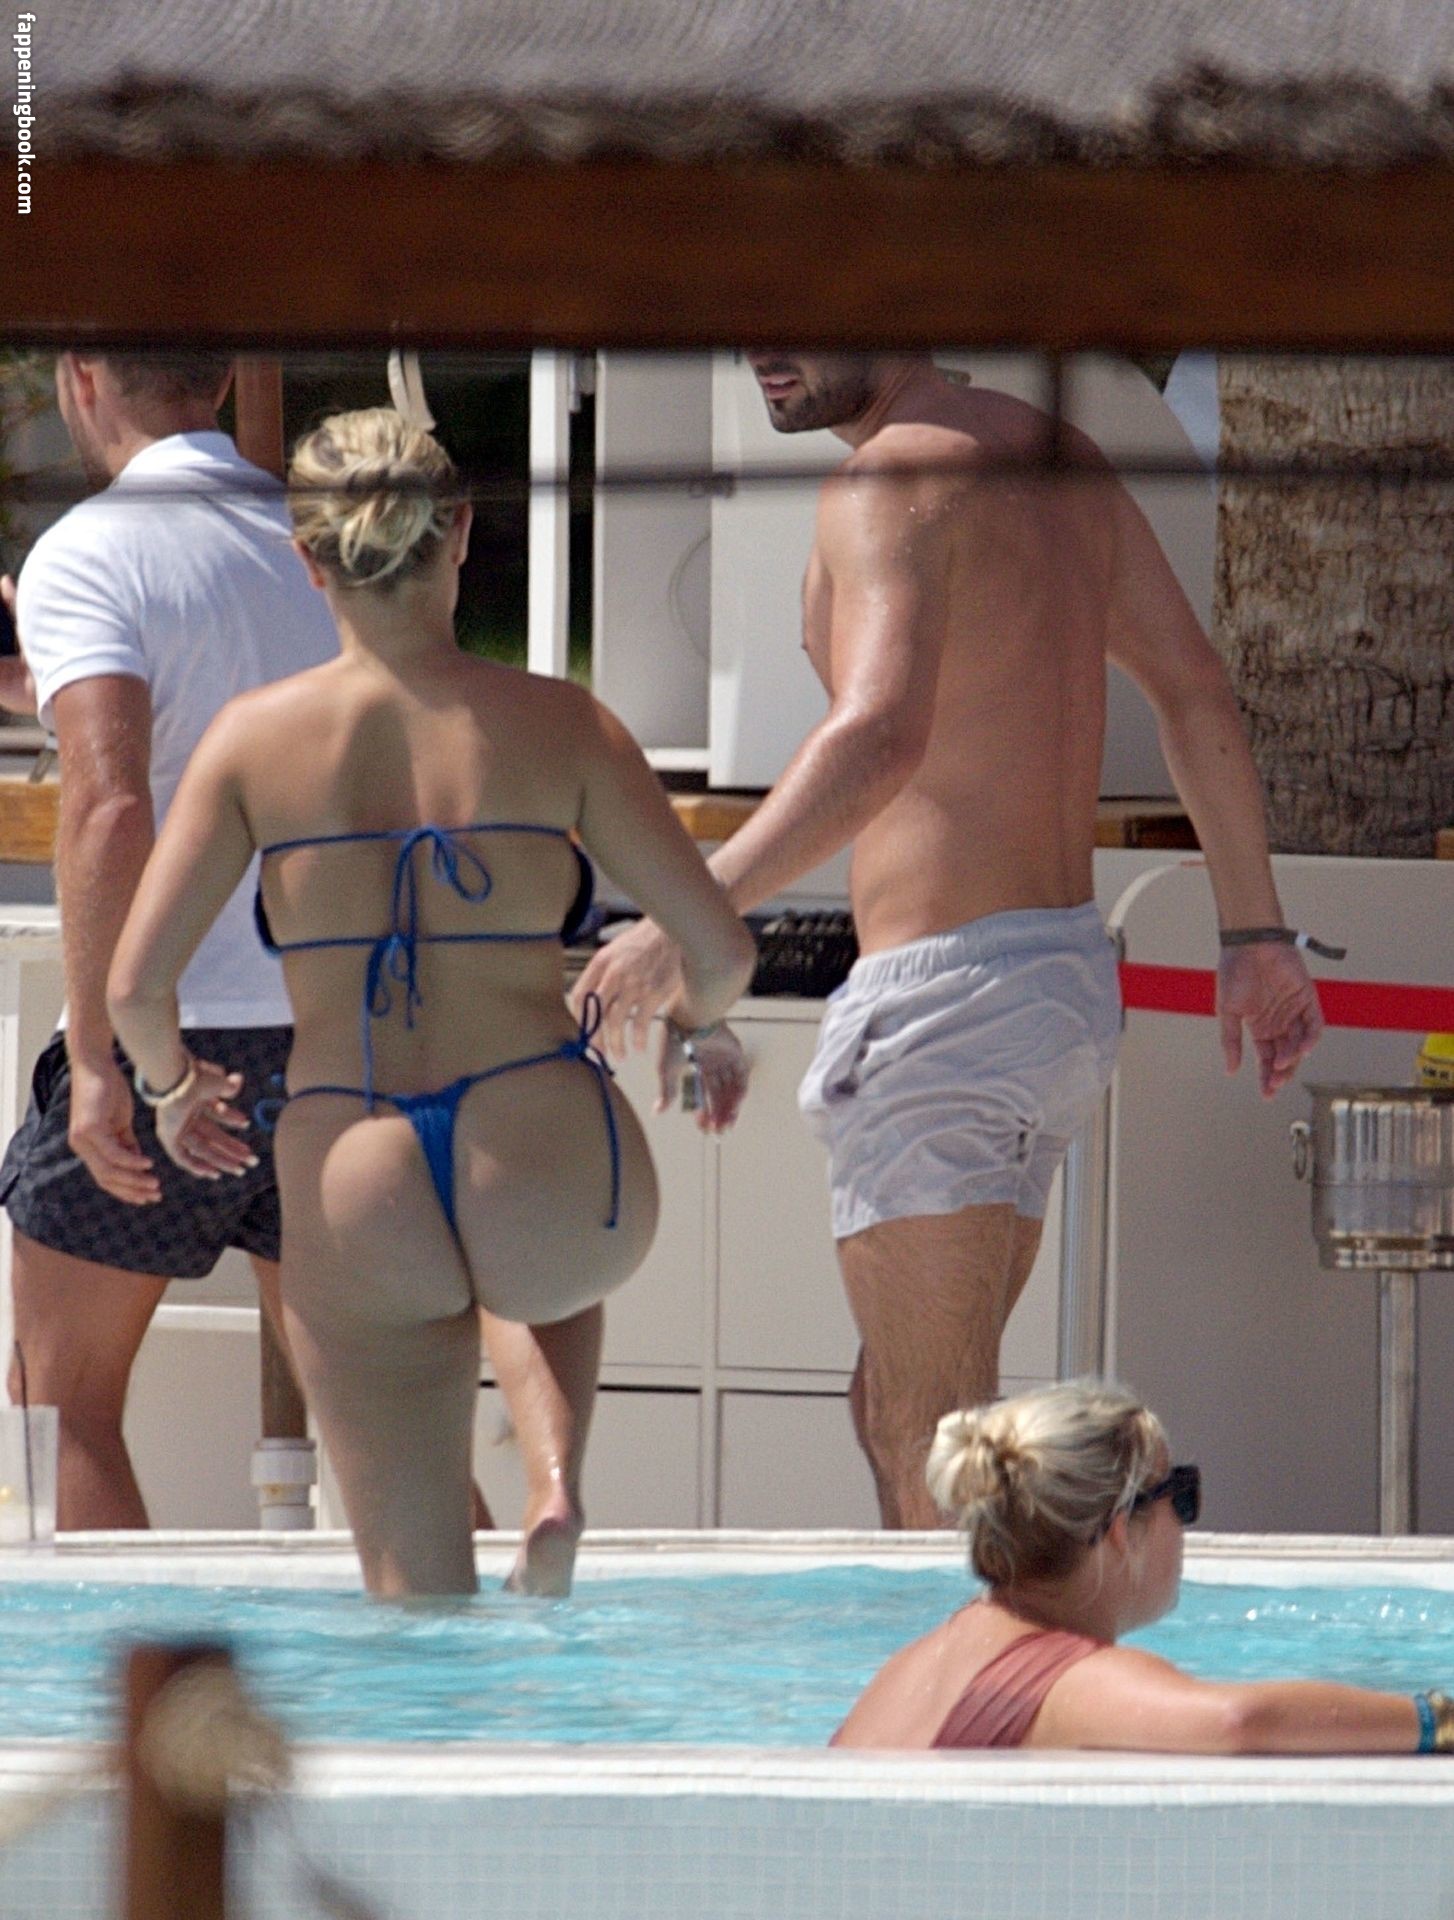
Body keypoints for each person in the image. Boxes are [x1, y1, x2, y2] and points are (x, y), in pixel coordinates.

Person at [573, 353, 1325, 1528]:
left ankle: (988, 1651)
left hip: (946, 1006)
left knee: (929, 1431)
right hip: (1052, 984)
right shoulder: (1057, 458)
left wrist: (692, 914)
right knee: (898, 1402)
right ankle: (972, 1639)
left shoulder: (892, 478)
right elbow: (1190, 691)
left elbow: (880, 733)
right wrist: (1254, 930)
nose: (763, 343)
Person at [107, 408, 757, 1599]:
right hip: (541, 1141)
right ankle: (554, 1482)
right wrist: (695, 1026)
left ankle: (473, 1606)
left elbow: (137, 989)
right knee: (541, 1276)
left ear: (309, 561)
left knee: (413, 1603)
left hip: (355, 1156)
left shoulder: (250, 743)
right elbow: (715, 949)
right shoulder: (562, 722)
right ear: (457, 531)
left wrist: (169, 1089)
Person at [0, 351, 339, 1529]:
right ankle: (489, 1651)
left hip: (175, 1037)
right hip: (336, 1030)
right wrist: (49, 687)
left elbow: (111, 806)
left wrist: (100, 1058)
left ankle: (142, 1666)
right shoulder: (312, 536)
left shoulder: (95, 547)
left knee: (61, 1412)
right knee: (377, 1418)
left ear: (81, 375)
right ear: (219, 373)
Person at [831, 1379, 1453, 1753]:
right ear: (1121, 1531)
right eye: (1179, 1495)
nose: (1185, 1523)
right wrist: (1436, 1721)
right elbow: (1238, 1722)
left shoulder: (918, 1661)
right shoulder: (1073, 1680)